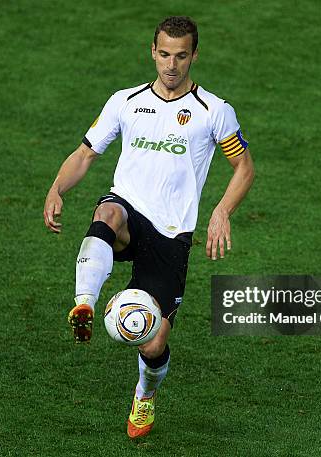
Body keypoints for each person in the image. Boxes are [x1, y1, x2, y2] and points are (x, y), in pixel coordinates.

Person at [43, 16, 254, 438]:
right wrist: (56, 187)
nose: (171, 65)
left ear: (194, 55)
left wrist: (221, 211)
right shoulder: (125, 101)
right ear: (152, 52)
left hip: (171, 233)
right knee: (106, 215)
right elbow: (85, 154)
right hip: (129, 209)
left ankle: (145, 394)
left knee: (153, 343)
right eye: (163, 54)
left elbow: (243, 167)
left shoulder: (214, 111)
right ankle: (84, 303)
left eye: (180, 56)